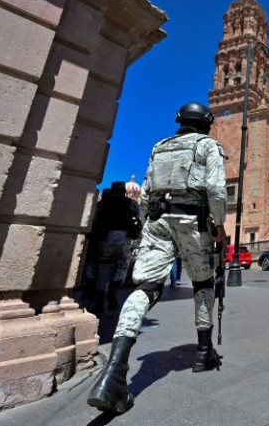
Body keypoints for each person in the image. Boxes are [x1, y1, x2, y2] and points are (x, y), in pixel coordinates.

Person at [88, 101, 228, 414]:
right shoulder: (208, 146)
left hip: (158, 221)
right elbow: (217, 190)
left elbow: (148, 193)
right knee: (203, 284)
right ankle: (204, 351)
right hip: (195, 222)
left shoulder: (159, 147)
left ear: (180, 121)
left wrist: (151, 223)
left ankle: (115, 371)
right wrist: (219, 226)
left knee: (145, 289)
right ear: (206, 123)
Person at [85, 182, 142, 315]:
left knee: (103, 270)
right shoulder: (132, 204)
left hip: (105, 238)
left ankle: (99, 303)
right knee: (121, 267)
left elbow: (95, 219)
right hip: (124, 238)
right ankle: (113, 291)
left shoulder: (103, 203)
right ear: (124, 191)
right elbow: (137, 219)